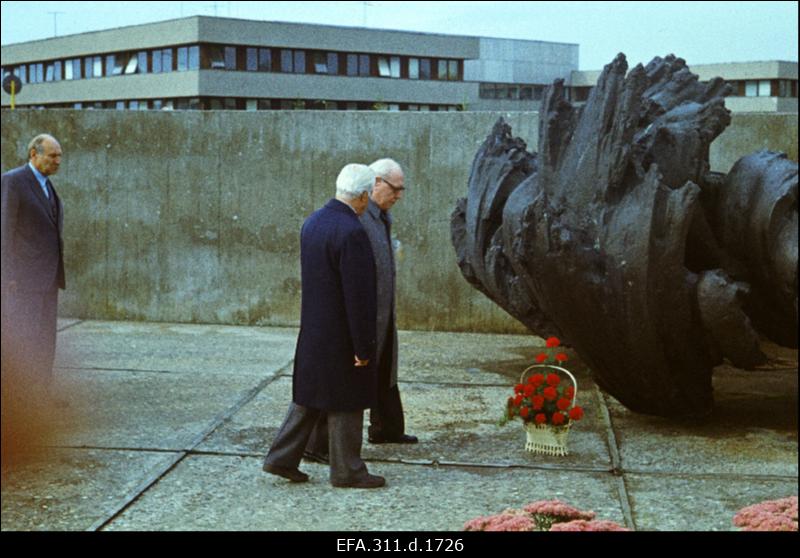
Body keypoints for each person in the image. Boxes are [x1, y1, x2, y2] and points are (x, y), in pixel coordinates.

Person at [263, 163, 385, 489]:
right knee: (347, 400)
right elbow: (358, 296)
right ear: (362, 196)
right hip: (342, 336)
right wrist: (363, 346)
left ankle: (282, 457)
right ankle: (348, 470)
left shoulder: (313, 223)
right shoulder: (352, 232)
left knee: (309, 396)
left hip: (315, 330)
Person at [303, 159, 416, 464]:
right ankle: (322, 446)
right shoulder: (358, 218)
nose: (399, 195)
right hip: (364, 310)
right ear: (375, 184)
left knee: (384, 366)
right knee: (348, 378)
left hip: (381, 307)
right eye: (396, 188)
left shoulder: (379, 216)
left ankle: (387, 427)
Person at [1, 134, 66, 403]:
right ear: (33, 154)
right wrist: (7, 275)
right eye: (52, 156)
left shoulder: (48, 188)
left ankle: (41, 395)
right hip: (23, 280)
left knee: (45, 338)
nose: (58, 161)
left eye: (59, 156)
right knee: (23, 338)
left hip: (48, 279)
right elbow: (4, 230)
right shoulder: (13, 182)